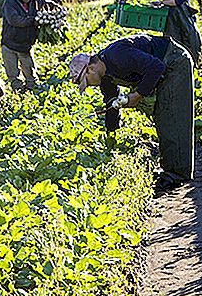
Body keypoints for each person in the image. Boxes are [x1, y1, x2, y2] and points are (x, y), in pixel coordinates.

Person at [69, 34, 194, 194]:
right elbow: (111, 102)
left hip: (174, 61)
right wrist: (111, 136)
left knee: (172, 116)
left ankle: (176, 175)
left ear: (91, 69)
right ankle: (171, 168)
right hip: (161, 66)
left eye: (87, 82)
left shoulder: (117, 56)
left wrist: (137, 96)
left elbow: (156, 67)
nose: (90, 86)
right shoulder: (105, 76)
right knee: (163, 116)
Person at [120, 0, 202, 65]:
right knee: (172, 41)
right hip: (169, 16)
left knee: (192, 38)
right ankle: (175, 65)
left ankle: (195, 63)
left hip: (183, 15)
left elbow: (178, 1)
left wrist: (161, 2)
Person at [1, 0, 63, 92]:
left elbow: (44, 2)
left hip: (25, 44)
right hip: (10, 43)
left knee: (30, 71)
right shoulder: (9, 3)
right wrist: (33, 21)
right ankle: (19, 93)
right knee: (13, 74)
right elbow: (14, 20)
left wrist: (55, 6)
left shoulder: (33, 0)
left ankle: (32, 89)